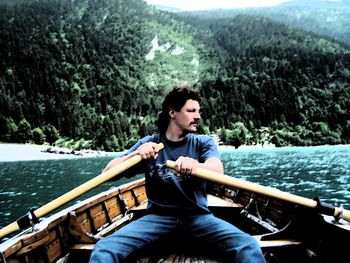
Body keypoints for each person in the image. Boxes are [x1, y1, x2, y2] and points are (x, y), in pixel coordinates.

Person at [89, 85, 265, 263]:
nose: (198, 116)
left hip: (198, 218)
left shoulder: (203, 142)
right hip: (157, 219)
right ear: (173, 113)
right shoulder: (150, 144)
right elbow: (108, 173)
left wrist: (196, 166)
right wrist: (136, 154)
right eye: (191, 111)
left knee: (248, 247)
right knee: (104, 250)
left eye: (199, 111)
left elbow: (217, 169)